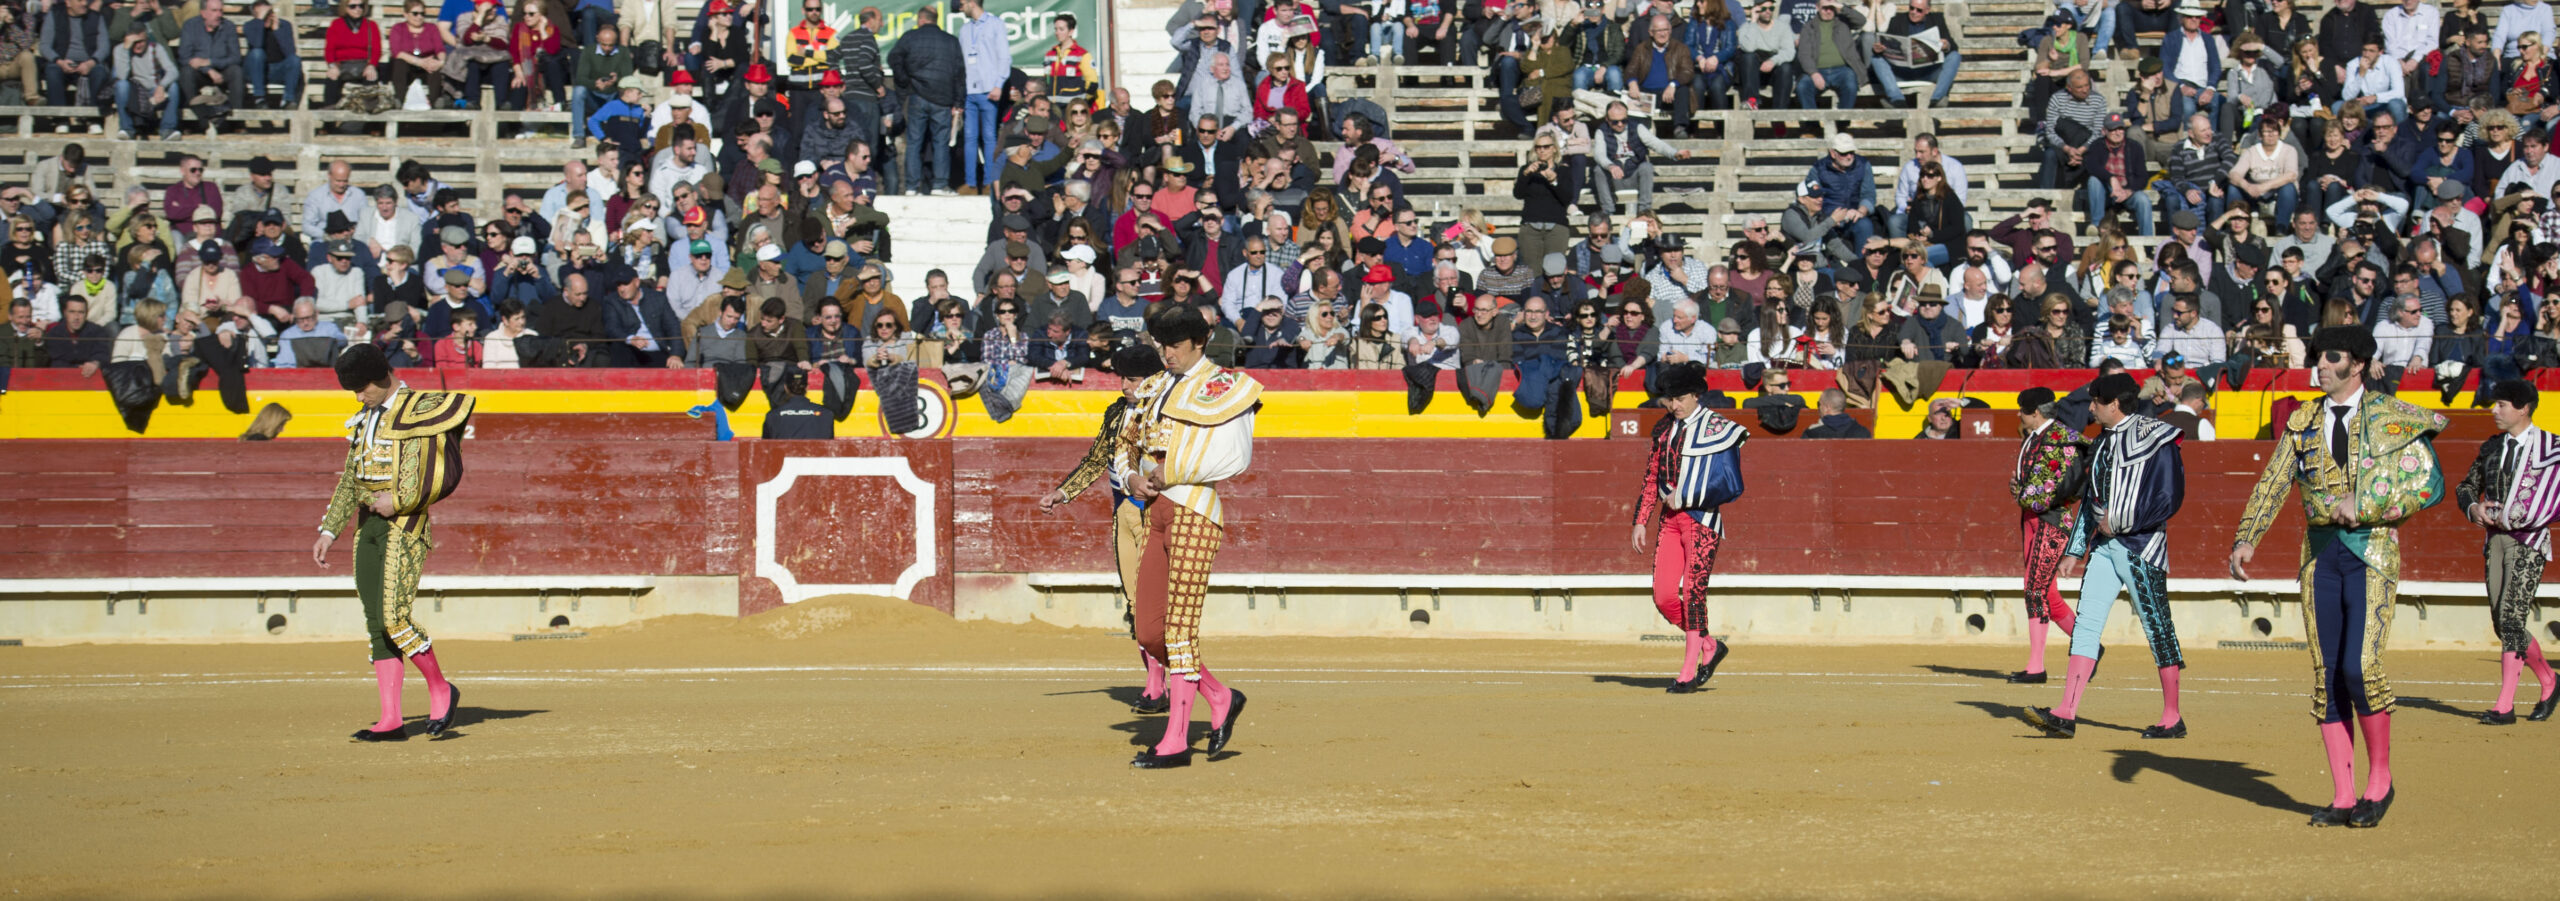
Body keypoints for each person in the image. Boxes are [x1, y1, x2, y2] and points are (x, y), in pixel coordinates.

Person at [2229, 325, 2446, 828]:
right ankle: (2344, 794)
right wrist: (2247, 537)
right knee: (2328, 677)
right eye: (2317, 357)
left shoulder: (2393, 417)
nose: (2320, 366)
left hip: (2372, 551)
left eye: (2331, 357)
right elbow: (2275, 479)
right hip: (2319, 556)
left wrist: (2367, 503)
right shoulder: (2303, 419)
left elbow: (2428, 485)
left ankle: (2380, 780)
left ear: (2357, 362)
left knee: (2360, 666)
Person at [312, 343, 471, 742]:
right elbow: (351, 476)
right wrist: (329, 530)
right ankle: (391, 719)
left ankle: (440, 688)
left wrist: (399, 500)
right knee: (375, 624)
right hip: (368, 527)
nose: (357, 395)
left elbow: (439, 475)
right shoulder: (365, 416)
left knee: (394, 617)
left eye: (362, 387)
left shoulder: (418, 409)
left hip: (407, 524)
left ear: (382, 378)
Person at [1126, 304, 1261, 769]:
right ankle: (1219, 695)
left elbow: (1236, 457)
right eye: (1161, 345)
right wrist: (1131, 479)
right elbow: (1127, 444)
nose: (1166, 354)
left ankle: (1176, 741)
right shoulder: (1152, 386)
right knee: (1148, 631)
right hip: (1155, 511)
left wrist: (1171, 472)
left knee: (1179, 629)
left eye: (1175, 346)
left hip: (1195, 510)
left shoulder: (1228, 387)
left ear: (1199, 343)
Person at [2026, 372, 2187, 742]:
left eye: (2096, 401)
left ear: (2114, 404)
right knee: (2086, 624)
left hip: (2142, 546)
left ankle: (2172, 715)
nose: (2091, 407)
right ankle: (2066, 712)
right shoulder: (2101, 442)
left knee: (2157, 626)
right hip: (2103, 546)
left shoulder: (2157, 437)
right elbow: (2091, 500)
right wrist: (2076, 549)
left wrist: (2125, 521)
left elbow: (2169, 497)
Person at [1039, 343, 1172, 715]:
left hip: (1157, 514)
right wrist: (1063, 492)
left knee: (1155, 603)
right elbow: (1098, 458)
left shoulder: (1166, 411)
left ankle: (1167, 683)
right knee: (1135, 602)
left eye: (1131, 379)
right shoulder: (1117, 412)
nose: (1125, 386)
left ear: (1152, 378)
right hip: (1125, 515)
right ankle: (1155, 685)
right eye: (1122, 379)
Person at [1630, 361, 1744, 693]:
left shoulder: (1716, 427)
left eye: (1679, 398)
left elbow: (1729, 482)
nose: (1673, 405)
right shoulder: (1664, 428)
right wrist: (1641, 519)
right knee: (1664, 596)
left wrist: (1691, 495)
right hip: (1670, 520)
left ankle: (1688, 672)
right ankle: (1709, 644)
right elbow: (1652, 476)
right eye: (1669, 399)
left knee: (1694, 593)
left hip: (1701, 519)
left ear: (1696, 395)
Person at [2453, 379, 2560, 726]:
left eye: (2501, 404)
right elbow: (2466, 487)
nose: (2494, 410)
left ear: (2523, 407)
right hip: (2495, 539)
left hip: (2528, 541)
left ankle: (2504, 705)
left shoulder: (2551, 447)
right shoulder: (2491, 448)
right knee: (2504, 623)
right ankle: (2550, 680)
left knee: (2512, 620)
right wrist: (2474, 510)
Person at [2008, 386, 2089, 683]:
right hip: (2031, 517)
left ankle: (2036, 667)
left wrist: (2031, 495)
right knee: (2046, 591)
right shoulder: (2034, 437)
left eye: (2022, 411)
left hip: (2053, 519)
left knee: (2035, 589)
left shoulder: (2062, 436)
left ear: (2035, 413)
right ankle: (2088, 645)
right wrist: (2020, 490)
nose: (2019, 415)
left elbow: (2083, 465)